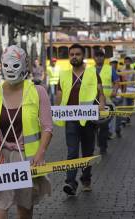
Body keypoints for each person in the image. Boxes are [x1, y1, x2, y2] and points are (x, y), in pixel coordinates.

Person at [0, 45, 53, 218]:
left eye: (15, 65)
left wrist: (40, 154)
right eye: (6, 65)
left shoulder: (38, 92)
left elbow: (47, 127)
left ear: (24, 65)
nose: (10, 69)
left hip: (25, 160)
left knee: (24, 212)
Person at [56, 44, 105, 195]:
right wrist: (58, 110)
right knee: (72, 152)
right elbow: (59, 94)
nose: (74, 57)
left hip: (88, 120)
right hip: (71, 120)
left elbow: (101, 93)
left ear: (83, 56)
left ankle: (86, 179)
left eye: (77, 54)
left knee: (88, 152)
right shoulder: (63, 74)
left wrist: (102, 106)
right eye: (71, 54)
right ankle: (70, 182)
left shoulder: (92, 73)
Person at [94, 50, 120, 153]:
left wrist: (114, 90)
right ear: (94, 58)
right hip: (93, 100)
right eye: (97, 56)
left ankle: (103, 145)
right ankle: (97, 143)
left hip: (107, 100)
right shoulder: (89, 70)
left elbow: (117, 82)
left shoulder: (110, 69)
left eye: (101, 56)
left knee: (104, 124)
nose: (99, 58)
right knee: (93, 125)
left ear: (104, 58)